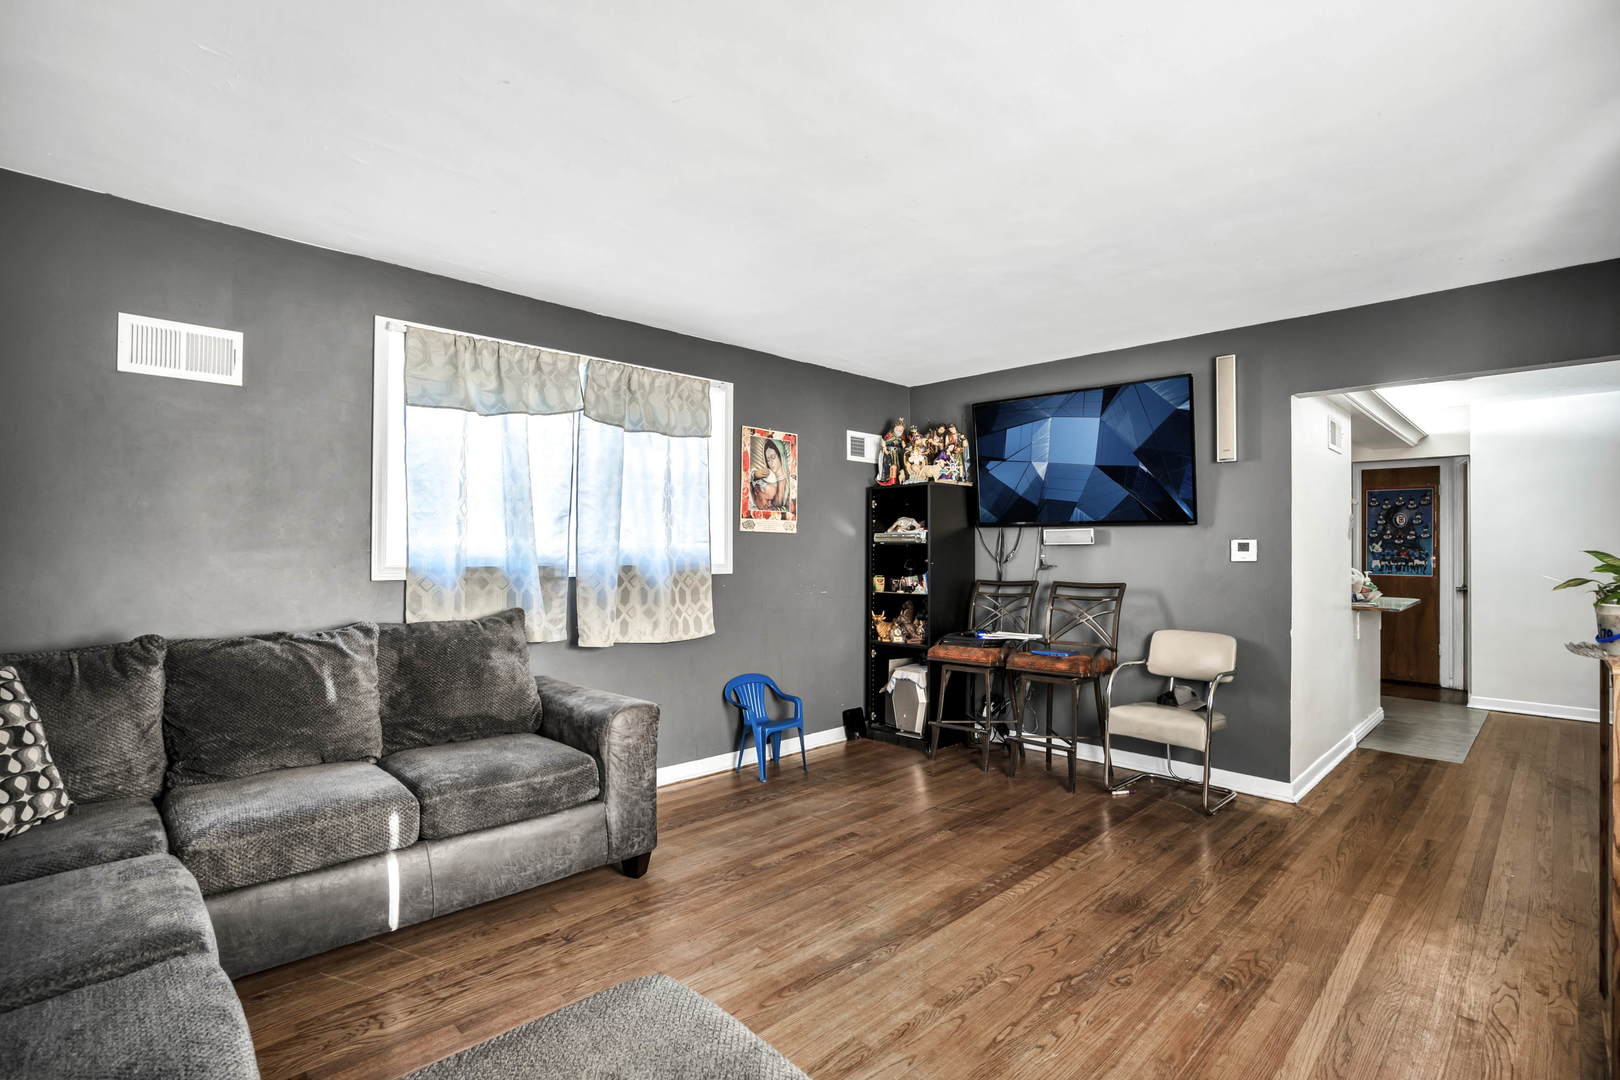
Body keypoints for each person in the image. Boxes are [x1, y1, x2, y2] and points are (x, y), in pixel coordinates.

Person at [750, 439, 793, 512]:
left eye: (773, 457)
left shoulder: (791, 482)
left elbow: (791, 510)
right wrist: (754, 474)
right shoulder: (768, 477)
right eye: (768, 460)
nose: (771, 463)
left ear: (780, 456)